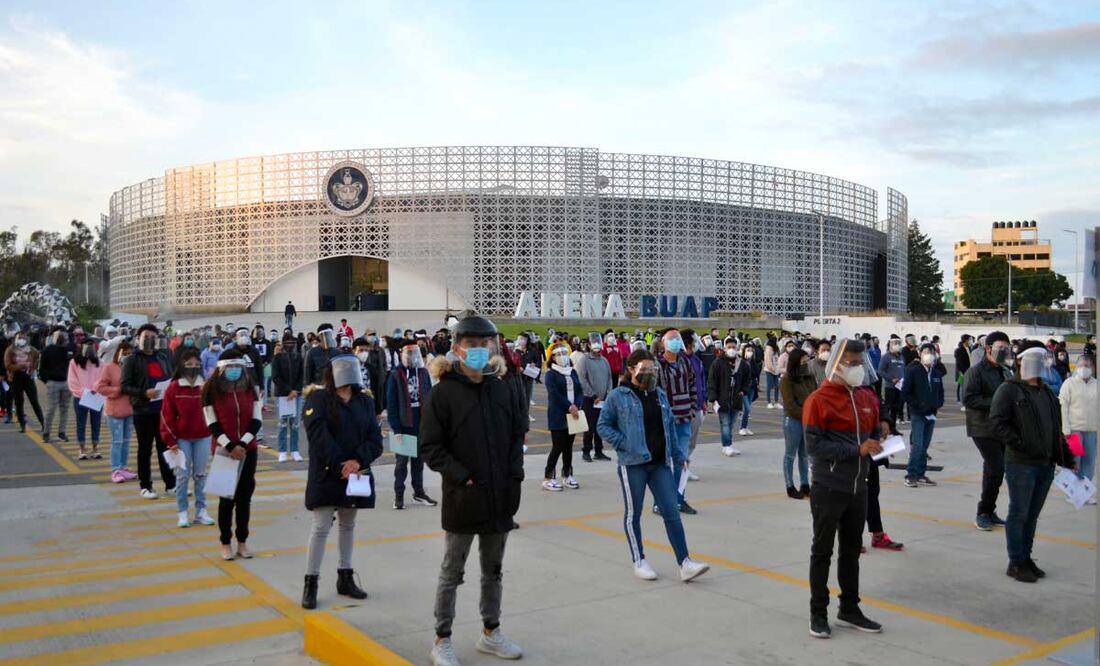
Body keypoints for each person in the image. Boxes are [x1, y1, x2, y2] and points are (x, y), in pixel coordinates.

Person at [420, 315, 525, 666]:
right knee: (452, 571)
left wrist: (515, 475)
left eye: (485, 344)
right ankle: (442, 638)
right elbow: (431, 448)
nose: (479, 350)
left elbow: (516, 433)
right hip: (464, 498)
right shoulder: (444, 392)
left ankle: (491, 631)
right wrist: (461, 476)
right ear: (456, 348)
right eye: (472, 344)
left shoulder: (502, 385)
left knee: (493, 570)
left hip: (500, 496)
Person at [596, 349, 711, 583]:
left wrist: (679, 456)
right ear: (631, 369)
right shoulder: (619, 396)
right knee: (633, 514)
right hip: (634, 464)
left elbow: (668, 427)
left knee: (671, 512)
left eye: (652, 369)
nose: (650, 373)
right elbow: (603, 425)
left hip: (660, 464)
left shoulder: (658, 394)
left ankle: (685, 562)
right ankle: (639, 560)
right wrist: (623, 443)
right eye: (645, 369)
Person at [803, 338, 889, 638]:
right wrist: (857, 449)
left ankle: (849, 609)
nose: (857, 368)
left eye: (859, 363)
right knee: (822, 551)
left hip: (858, 487)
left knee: (852, 551)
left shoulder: (866, 397)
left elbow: (874, 428)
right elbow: (814, 446)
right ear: (836, 364)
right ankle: (818, 612)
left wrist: (882, 431)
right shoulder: (818, 400)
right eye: (851, 363)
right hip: (829, 486)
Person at [300, 353, 383, 609]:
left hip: (355, 471)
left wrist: (357, 461)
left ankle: (345, 576)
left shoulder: (364, 401)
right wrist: (340, 464)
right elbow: (318, 436)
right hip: (327, 472)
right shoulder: (318, 398)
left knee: (348, 523)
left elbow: (374, 438)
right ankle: (311, 582)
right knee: (321, 526)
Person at [990, 344, 1078, 583]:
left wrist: (1067, 458)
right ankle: (1016, 562)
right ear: (1020, 361)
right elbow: (997, 423)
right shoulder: (1009, 390)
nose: (1039, 363)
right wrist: (1020, 442)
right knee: (1019, 513)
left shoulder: (1047, 393)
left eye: (1042, 358)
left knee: (1032, 514)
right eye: (1033, 358)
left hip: (1045, 463)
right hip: (1021, 463)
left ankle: (1026, 557)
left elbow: (1055, 431)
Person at [202, 350, 262, 560]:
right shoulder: (211, 390)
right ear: (221, 369)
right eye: (230, 368)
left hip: (248, 450)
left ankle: (242, 542)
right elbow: (212, 423)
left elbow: (257, 420)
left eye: (238, 367)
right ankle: (225, 542)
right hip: (224, 451)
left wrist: (243, 444)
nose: (234, 371)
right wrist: (230, 447)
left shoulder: (250, 390)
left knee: (244, 499)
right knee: (226, 500)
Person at [962, 331, 1014, 531]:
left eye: (1006, 349)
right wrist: (998, 403)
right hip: (982, 428)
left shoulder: (1004, 371)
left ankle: (989, 510)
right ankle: (983, 513)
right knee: (996, 468)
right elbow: (969, 398)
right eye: (1000, 348)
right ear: (988, 349)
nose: (1004, 352)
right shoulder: (975, 372)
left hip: (1001, 428)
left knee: (994, 471)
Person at [160, 348, 215, 528]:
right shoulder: (174, 387)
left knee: (200, 475)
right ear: (182, 366)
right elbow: (166, 415)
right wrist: (170, 440)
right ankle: (182, 512)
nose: (193, 367)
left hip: (203, 437)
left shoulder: (205, 386)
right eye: (189, 364)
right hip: (182, 439)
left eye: (197, 364)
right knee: (182, 477)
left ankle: (201, 510)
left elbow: (213, 412)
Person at [121, 324, 175, 499]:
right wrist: (144, 393)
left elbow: (170, 377)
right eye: (146, 337)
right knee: (145, 450)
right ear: (138, 339)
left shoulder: (163, 357)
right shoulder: (131, 360)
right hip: (143, 411)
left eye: (153, 338)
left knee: (164, 448)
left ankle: (170, 485)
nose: (149, 341)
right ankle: (145, 486)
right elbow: (125, 386)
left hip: (162, 411)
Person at [384, 341, 438, 509]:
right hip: (404, 425)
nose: (411, 357)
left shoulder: (422, 373)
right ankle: (398, 495)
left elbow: (429, 398)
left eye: (414, 354)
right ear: (402, 356)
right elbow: (391, 403)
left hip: (420, 425)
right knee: (401, 464)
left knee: (418, 462)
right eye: (408, 354)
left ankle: (419, 492)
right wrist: (396, 428)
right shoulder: (396, 374)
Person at [654, 329, 697, 514]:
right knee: (665, 462)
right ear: (664, 343)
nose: (675, 343)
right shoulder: (658, 364)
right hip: (666, 420)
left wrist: (693, 405)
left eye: (676, 339)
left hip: (685, 417)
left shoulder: (684, 362)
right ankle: (660, 502)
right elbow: (655, 391)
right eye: (671, 340)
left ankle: (679, 498)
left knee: (682, 460)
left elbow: (693, 384)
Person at [901, 342, 944, 488]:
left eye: (931, 352)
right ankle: (910, 475)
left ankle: (920, 474)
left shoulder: (937, 373)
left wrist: (938, 403)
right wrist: (919, 405)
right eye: (925, 352)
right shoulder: (913, 371)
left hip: (931, 414)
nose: (929, 355)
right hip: (918, 414)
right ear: (920, 354)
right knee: (917, 445)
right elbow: (905, 392)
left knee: (924, 446)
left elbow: (940, 392)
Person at [543, 343, 584, 491]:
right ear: (552, 357)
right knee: (558, 446)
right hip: (558, 415)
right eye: (558, 354)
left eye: (564, 353)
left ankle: (567, 474)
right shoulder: (551, 374)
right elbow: (554, 395)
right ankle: (549, 476)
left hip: (573, 414)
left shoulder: (572, 372)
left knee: (568, 446)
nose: (562, 356)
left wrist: (577, 405)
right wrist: (569, 406)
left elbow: (579, 390)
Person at [95, 340, 137, 483]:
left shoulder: (135, 367)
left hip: (130, 409)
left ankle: (124, 467)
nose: (127, 356)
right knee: (117, 441)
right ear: (118, 353)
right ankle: (115, 470)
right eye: (124, 353)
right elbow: (100, 387)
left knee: (126, 441)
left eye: (130, 353)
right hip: (114, 410)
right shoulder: (109, 368)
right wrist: (118, 390)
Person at [779, 347, 814, 499]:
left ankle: (805, 484)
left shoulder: (809, 378)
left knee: (804, 455)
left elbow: (815, 397)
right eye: (803, 361)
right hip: (793, 421)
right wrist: (806, 414)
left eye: (807, 361)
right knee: (790, 455)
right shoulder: (787, 380)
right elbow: (790, 405)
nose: (806, 364)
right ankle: (790, 485)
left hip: (807, 421)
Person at [1059, 354, 1097, 487]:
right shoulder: (1069, 383)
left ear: (1092, 367)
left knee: (1089, 462)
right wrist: (1065, 429)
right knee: (1075, 460)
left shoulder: (1096, 384)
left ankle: (1085, 490)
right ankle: (1072, 489)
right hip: (1074, 431)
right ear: (1077, 367)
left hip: (1092, 430)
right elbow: (1063, 406)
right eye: (1081, 365)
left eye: (1087, 366)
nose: (1084, 368)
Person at [708, 336, 749, 458]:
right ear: (724, 348)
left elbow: (747, 379)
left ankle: (729, 444)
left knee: (731, 423)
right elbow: (712, 381)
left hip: (736, 399)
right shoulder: (718, 363)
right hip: (722, 399)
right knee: (725, 423)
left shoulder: (742, 364)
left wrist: (743, 390)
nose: (731, 349)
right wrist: (713, 398)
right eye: (729, 347)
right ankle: (726, 446)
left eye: (733, 347)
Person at [577, 336, 613, 463]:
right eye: (594, 343)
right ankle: (586, 451)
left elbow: (609, 378)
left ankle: (599, 451)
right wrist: (592, 395)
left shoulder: (604, 360)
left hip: (603, 400)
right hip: (590, 399)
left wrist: (608, 393)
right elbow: (582, 379)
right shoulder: (584, 360)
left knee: (600, 425)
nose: (597, 346)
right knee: (589, 426)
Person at [67, 338, 102, 459]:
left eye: (92, 346)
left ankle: (95, 447)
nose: (89, 349)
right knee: (81, 423)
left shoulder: (99, 362)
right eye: (87, 346)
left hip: (96, 397)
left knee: (96, 423)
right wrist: (83, 392)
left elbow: (103, 378)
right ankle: (81, 449)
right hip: (80, 397)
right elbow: (72, 380)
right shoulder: (74, 362)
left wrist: (96, 389)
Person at [271, 336, 305, 462]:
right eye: (287, 343)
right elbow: (276, 377)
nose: (290, 345)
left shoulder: (299, 357)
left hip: (296, 394)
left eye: (292, 342)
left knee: (295, 424)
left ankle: (295, 450)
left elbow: (302, 375)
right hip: (283, 395)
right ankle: (282, 451)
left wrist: (295, 390)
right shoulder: (278, 358)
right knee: (283, 424)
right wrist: (288, 390)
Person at [39, 329, 73, 443]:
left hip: (66, 382)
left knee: (64, 408)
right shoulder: (48, 350)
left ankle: (61, 432)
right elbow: (42, 368)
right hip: (53, 382)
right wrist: (47, 381)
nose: (66, 340)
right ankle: (46, 432)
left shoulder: (67, 351)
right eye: (64, 338)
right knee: (51, 409)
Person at [682, 331, 707, 480]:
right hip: (685, 407)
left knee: (691, 441)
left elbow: (701, 382)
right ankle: (681, 469)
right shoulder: (680, 360)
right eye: (694, 341)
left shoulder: (697, 360)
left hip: (697, 406)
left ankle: (685, 467)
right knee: (683, 440)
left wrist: (703, 401)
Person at [877, 337, 906, 424]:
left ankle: (893, 428)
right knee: (888, 407)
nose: (897, 345)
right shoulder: (886, 357)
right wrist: (890, 379)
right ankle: (884, 425)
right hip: (890, 387)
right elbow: (880, 371)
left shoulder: (901, 357)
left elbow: (903, 370)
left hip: (900, 386)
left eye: (899, 343)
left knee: (896, 407)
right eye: (895, 343)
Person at [738, 343, 761, 436]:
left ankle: (745, 427)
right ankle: (742, 428)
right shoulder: (741, 362)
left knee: (749, 408)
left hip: (752, 387)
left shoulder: (753, 362)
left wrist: (757, 384)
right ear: (744, 352)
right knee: (747, 408)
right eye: (748, 350)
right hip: (744, 388)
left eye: (751, 351)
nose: (750, 352)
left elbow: (757, 374)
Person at [954, 335, 972, 410]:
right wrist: (964, 372)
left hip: (969, 370)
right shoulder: (959, 350)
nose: (970, 341)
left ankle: (966, 402)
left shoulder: (969, 348)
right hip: (962, 372)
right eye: (969, 340)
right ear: (965, 340)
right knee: (961, 387)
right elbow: (960, 363)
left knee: (966, 387)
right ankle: (962, 402)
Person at [764, 335, 781, 408]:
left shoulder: (775, 349)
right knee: (769, 386)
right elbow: (768, 361)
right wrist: (773, 370)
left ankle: (776, 402)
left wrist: (777, 369)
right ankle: (769, 402)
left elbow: (777, 359)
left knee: (777, 386)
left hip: (776, 370)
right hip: (769, 370)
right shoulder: (768, 349)